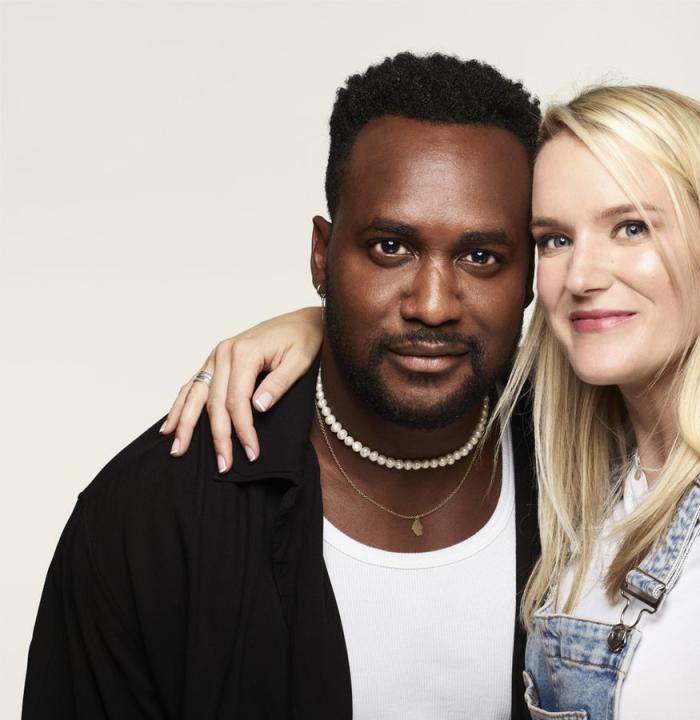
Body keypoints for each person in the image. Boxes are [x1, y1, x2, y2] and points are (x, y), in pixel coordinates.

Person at [166, 85, 700, 718]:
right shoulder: (587, 470)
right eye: (554, 238)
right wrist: (315, 323)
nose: (582, 276)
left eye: (631, 227)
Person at [23, 52, 544, 720]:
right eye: (390, 247)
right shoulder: (150, 515)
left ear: (530, 274)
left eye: (480, 257)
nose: (434, 304)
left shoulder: (596, 483)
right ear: (322, 256)